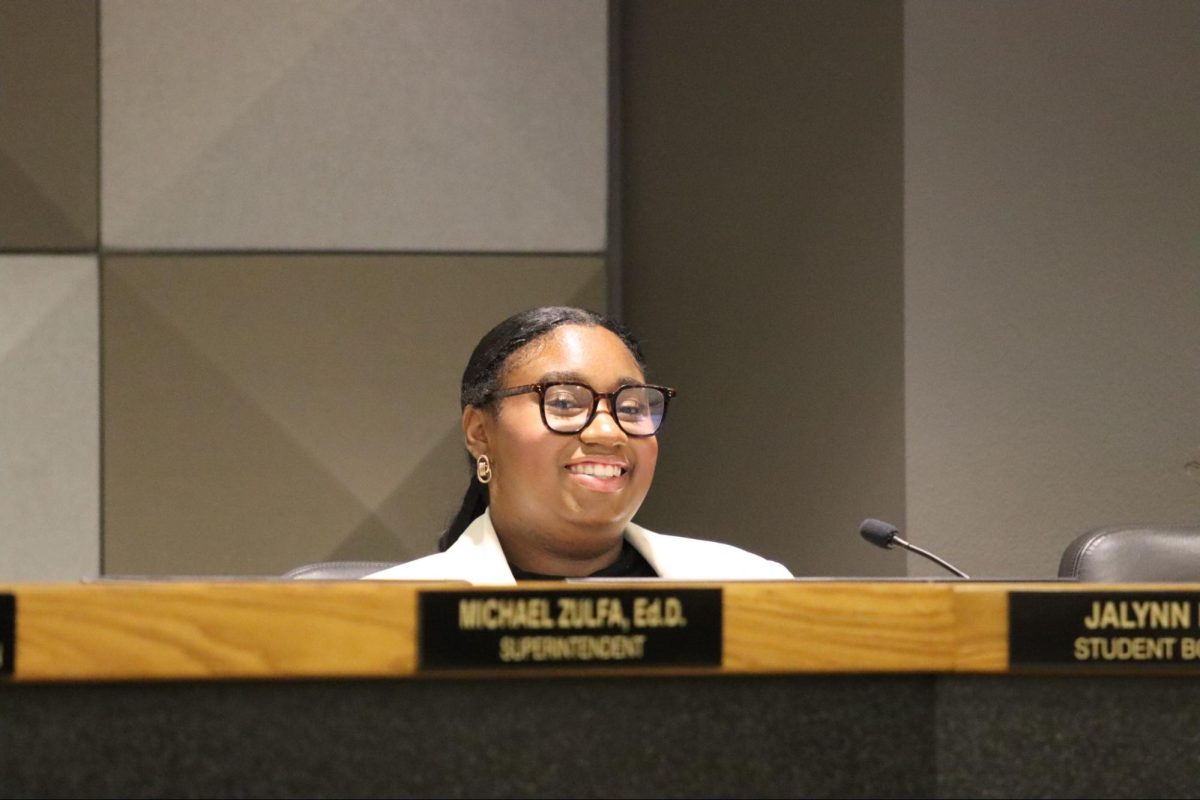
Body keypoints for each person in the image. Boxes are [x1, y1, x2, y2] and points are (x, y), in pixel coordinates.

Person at [364, 306, 792, 584]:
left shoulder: (754, 586)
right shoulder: (381, 613)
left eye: (631, 406)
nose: (608, 432)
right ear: (480, 432)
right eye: (565, 402)